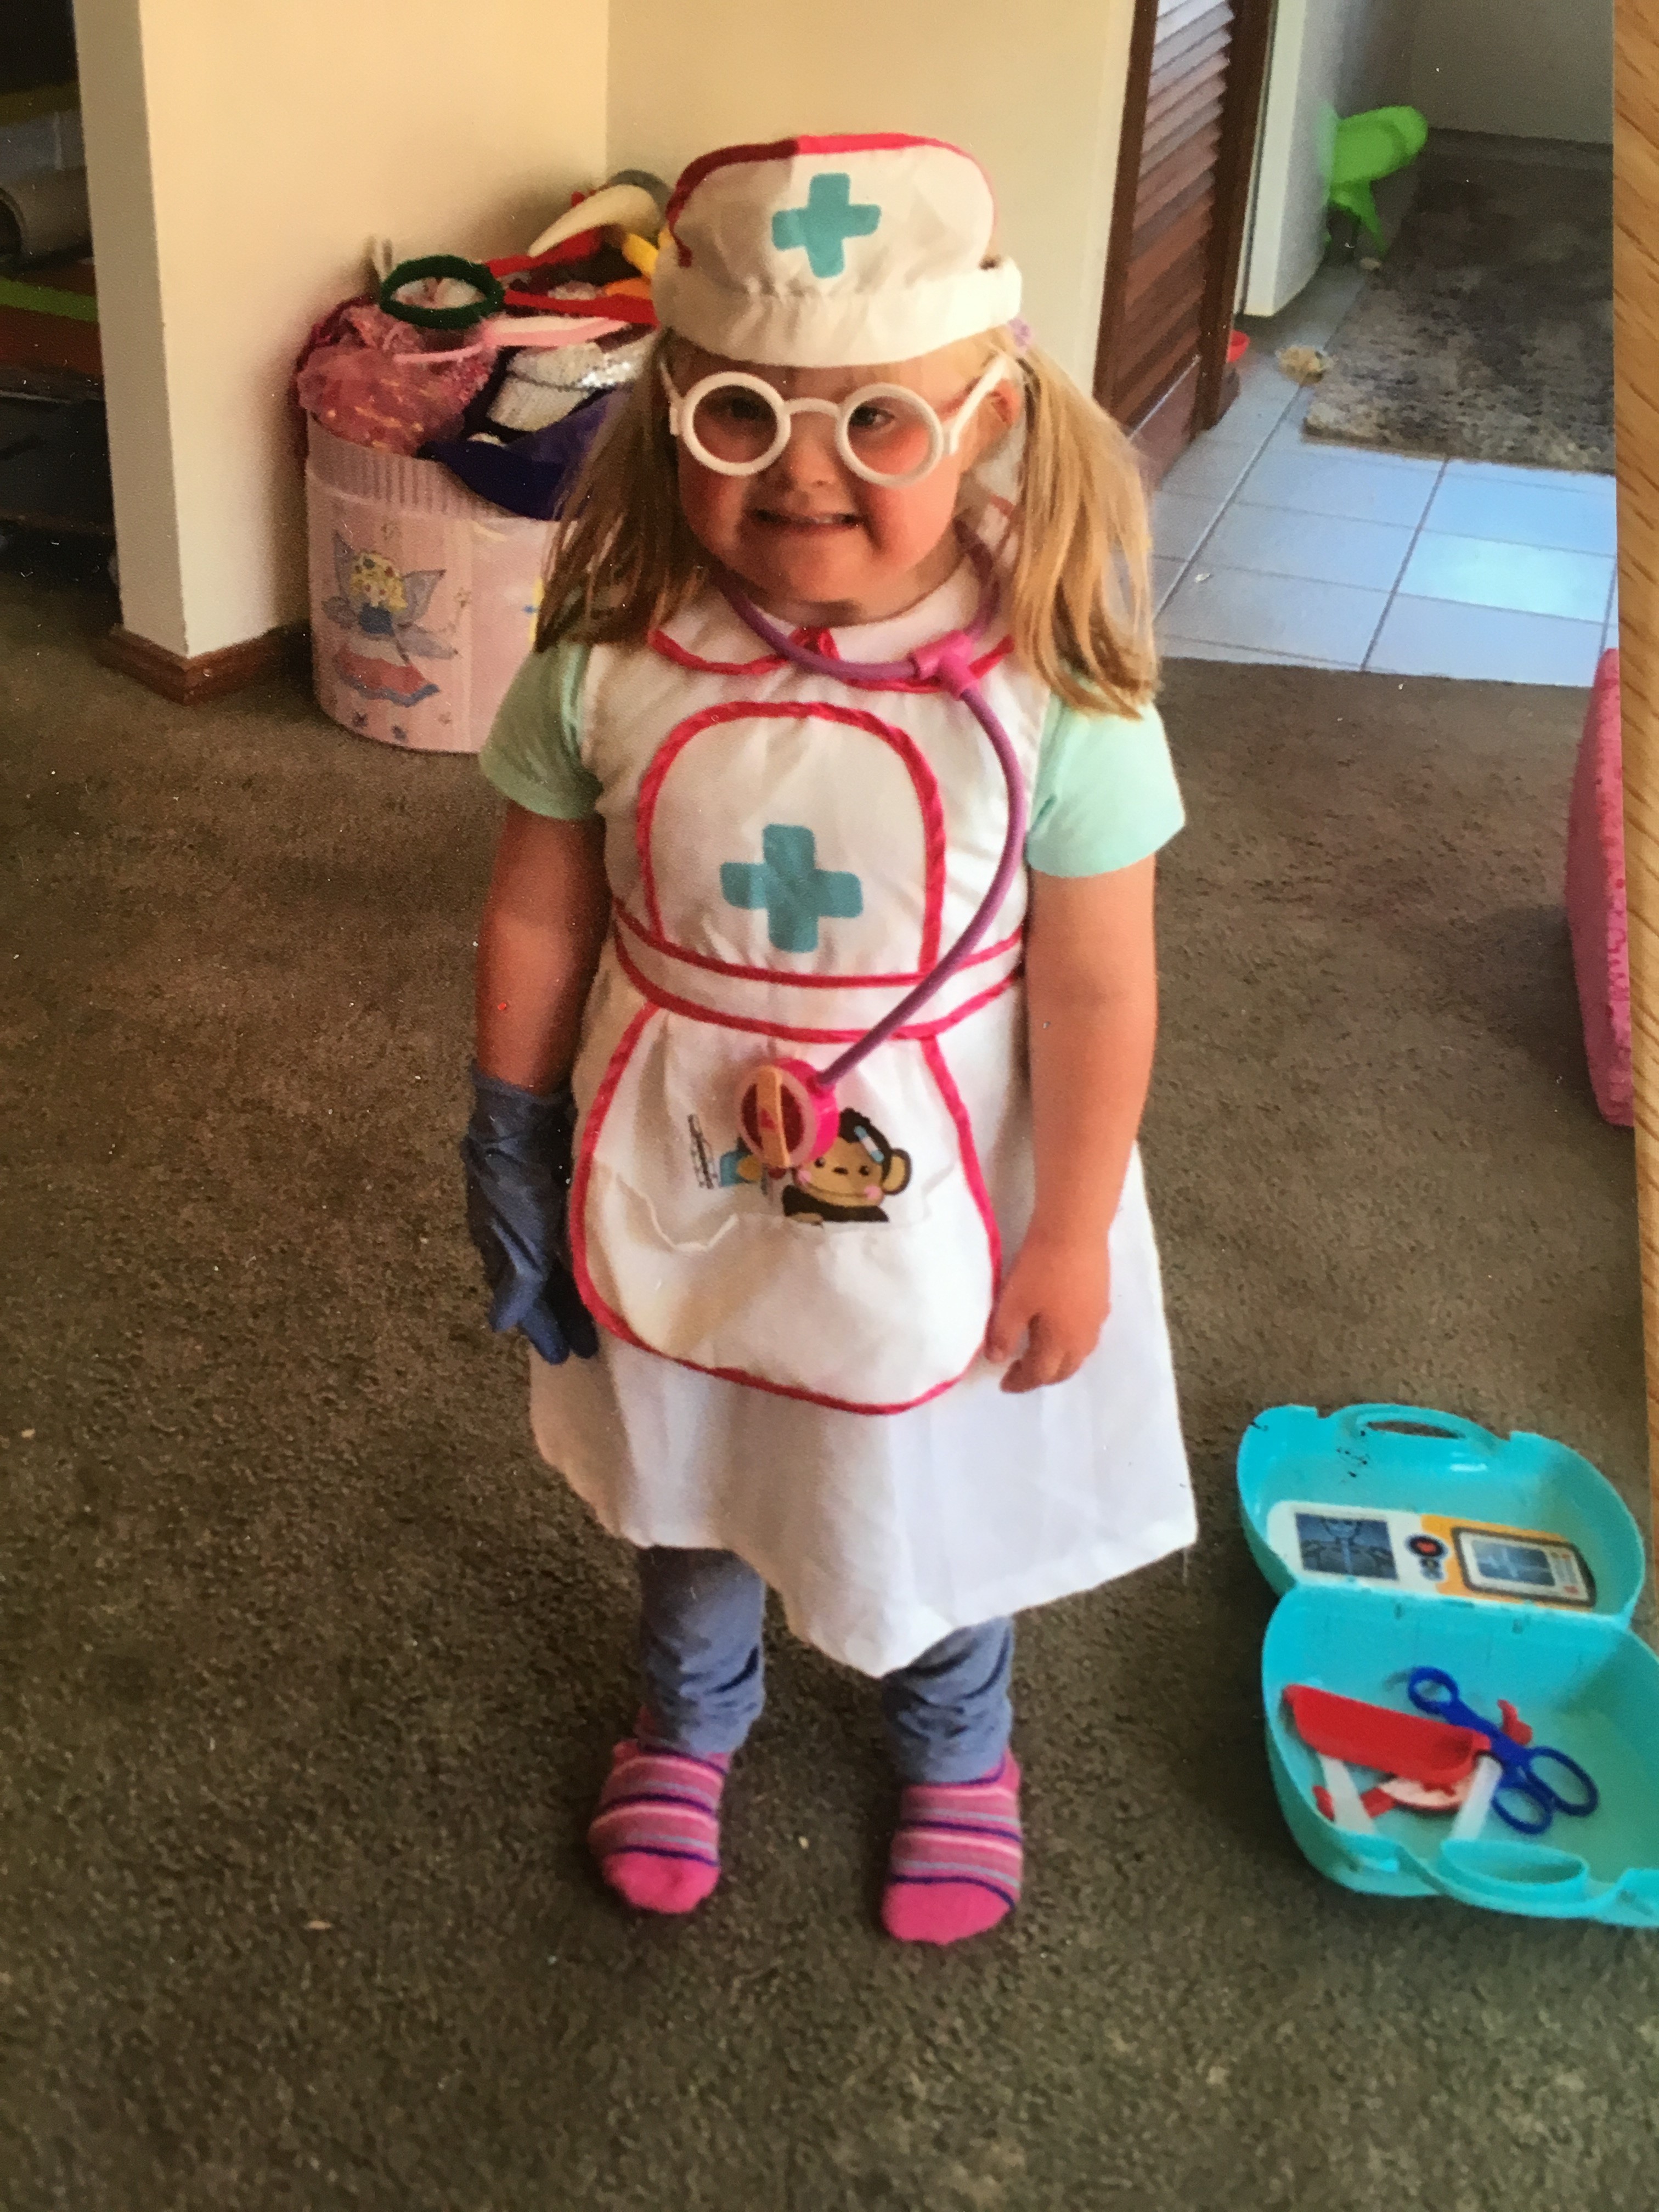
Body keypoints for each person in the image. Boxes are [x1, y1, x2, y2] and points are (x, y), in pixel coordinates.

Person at [461, 134, 1195, 1947]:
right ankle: (691, 1714)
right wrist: (504, 1124)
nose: (803, 478)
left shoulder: (1060, 694)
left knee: (925, 1457)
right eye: (739, 420)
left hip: (953, 1180)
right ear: (667, 418)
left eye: (880, 423)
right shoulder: (600, 662)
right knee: (693, 1445)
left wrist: (1075, 1227)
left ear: (990, 415)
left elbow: (1103, 985)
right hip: (685, 1158)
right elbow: (542, 909)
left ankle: (960, 1745)